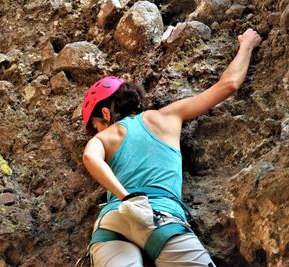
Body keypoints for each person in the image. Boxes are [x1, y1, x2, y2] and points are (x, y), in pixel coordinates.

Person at [81, 29, 262, 267]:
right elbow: (228, 85)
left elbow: (90, 157)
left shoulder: (105, 139)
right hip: (161, 217)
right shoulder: (168, 117)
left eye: (96, 126)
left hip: (112, 223)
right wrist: (247, 44)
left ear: (105, 113)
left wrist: (126, 198)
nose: (97, 132)